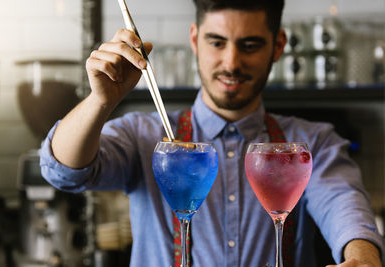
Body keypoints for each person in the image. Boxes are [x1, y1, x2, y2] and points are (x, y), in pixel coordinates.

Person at [40, 0, 384, 266]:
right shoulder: (144, 136)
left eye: (249, 45)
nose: (231, 62)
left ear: (278, 46)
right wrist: (99, 101)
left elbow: (345, 206)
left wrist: (363, 258)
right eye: (217, 42)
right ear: (195, 40)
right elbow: (64, 172)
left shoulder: (312, 144)